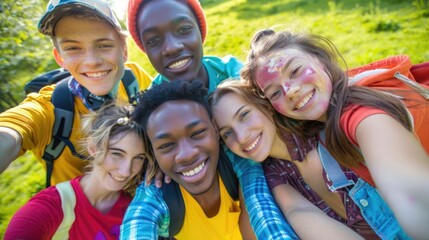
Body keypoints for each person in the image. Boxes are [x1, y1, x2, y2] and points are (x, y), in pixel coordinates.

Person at [122, 0, 298, 238]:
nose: (172, 47)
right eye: (153, 40)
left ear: (200, 30)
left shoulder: (236, 76)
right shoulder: (154, 108)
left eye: (183, 29)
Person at [239, 28, 429, 239]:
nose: (290, 91)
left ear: (320, 58)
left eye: (295, 71)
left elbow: (415, 198)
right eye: (275, 92)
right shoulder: (324, 123)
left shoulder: (359, 116)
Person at [0, 0, 152, 186]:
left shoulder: (133, 79)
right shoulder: (49, 110)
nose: (92, 61)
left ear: (124, 50)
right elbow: (11, 131)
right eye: (73, 48)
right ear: (60, 58)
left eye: (104, 45)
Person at [210, 80, 381, 239]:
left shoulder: (326, 132)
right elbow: (297, 211)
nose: (241, 137)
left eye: (244, 115)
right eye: (227, 133)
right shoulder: (274, 175)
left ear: (266, 106)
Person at [126, 80, 256, 239]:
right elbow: (138, 221)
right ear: (153, 153)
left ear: (215, 129)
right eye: (166, 145)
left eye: (197, 133)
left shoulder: (240, 162)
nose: (186, 154)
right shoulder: (160, 196)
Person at [4, 103, 149, 239]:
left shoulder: (138, 207)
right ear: (93, 148)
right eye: (117, 154)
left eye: (139, 157)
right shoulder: (50, 207)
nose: (126, 171)